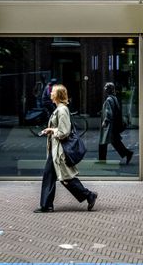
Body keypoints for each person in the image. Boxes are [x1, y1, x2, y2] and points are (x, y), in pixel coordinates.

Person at [35, 83, 97, 213]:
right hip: (55, 151)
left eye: (52, 92)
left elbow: (64, 132)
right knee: (50, 176)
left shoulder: (62, 110)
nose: (50, 94)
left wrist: (52, 130)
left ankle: (88, 195)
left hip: (59, 151)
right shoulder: (59, 109)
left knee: (66, 178)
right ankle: (47, 205)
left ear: (58, 95)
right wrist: (51, 130)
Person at [98, 82, 133, 164]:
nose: (105, 91)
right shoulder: (114, 98)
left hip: (109, 126)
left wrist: (105, 121)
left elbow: (109, 113)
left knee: (103, 142)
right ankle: (127, 153)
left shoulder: (108, 100)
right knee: (115, 141)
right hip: (113, 125)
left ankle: (102, 161)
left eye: (106, 89)